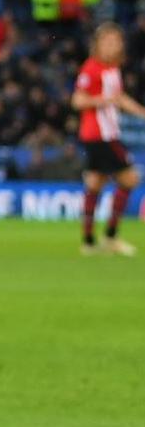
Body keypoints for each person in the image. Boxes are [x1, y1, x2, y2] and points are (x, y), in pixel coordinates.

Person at [73, 21, 145, 257]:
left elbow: (120, 98)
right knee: (130, 179)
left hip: (106, 134)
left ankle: (89, 241)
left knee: (95, 183)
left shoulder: (113, 69)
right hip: (99, 135)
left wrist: (141, 112)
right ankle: (111, 237)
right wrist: (102, 100)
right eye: (108, 41)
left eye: (116, 41)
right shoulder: (91, 69)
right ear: (98, 44)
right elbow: (78, 101)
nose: (113, 45)